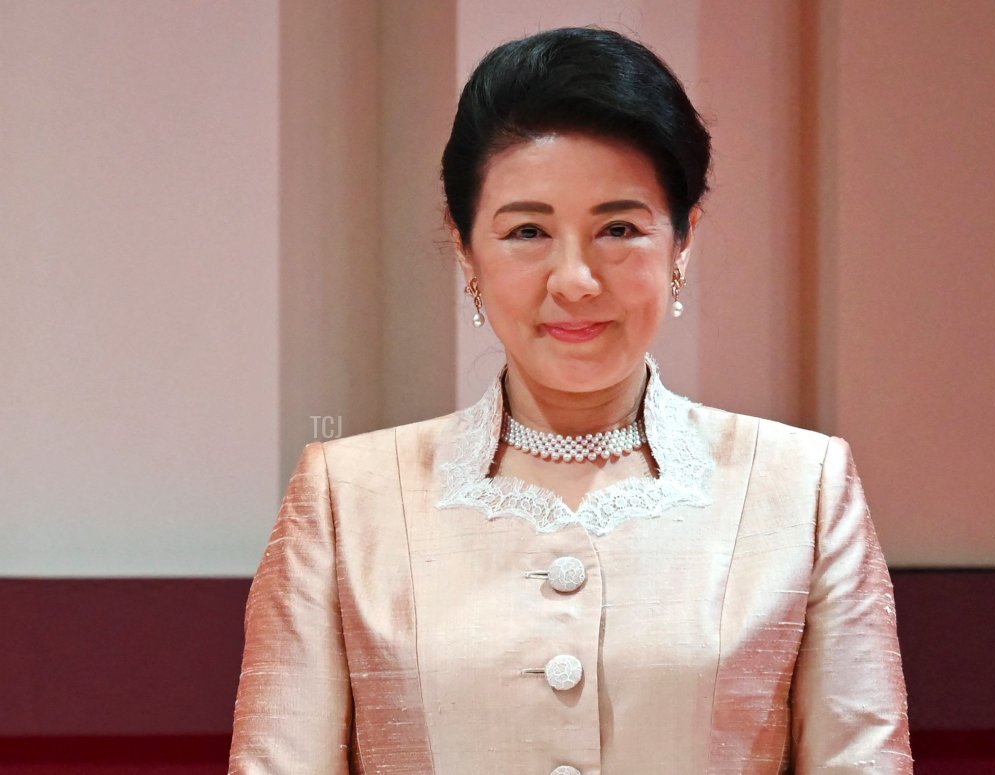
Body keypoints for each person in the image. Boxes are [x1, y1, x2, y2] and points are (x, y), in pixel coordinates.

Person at [228, 26, 911, 775]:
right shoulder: (345, 497)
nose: (576, 280)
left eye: (619, 228)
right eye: (528, 231)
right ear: (465, 249)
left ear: (682, 241)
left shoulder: (802, 488)